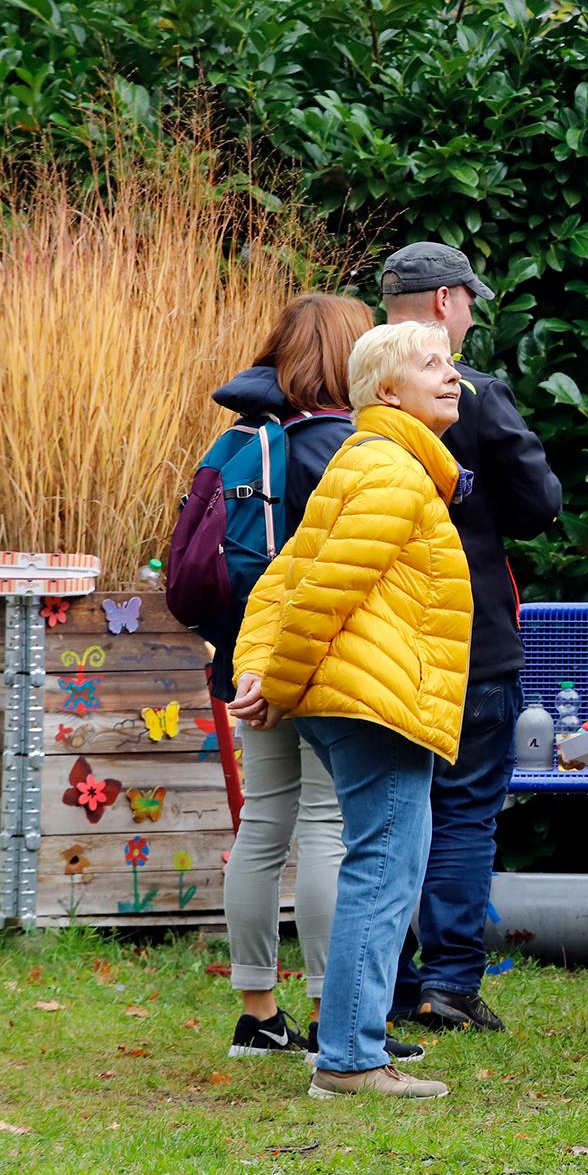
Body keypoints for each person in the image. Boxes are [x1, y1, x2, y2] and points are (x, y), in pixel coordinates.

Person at [230, 321, 473, 1101]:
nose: (451, 376)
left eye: (450, 363)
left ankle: (347, 1049)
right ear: (385, 391)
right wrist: (279, 684)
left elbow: (278, 583)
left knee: (381, 866)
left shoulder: (363, 462)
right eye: (430, 365)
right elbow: (321, 591)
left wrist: (260, 673)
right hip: (374, 704)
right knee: (383, 872)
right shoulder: (392, 474)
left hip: (356, 699)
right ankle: (350, 1062)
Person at [213, 294, 414, 1063]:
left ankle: (257, 1015)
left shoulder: (244, 434)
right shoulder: (338, 443)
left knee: (261, 825)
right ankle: (337, 1011)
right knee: (332, 825)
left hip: (248, 651)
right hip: (320, 655)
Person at [379, 243, 563, 1035]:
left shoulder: (349, 392)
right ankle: (449, 982)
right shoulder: (474, 395)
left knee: (383, 814)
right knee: (461, 813)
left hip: (375, 642)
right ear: (448, 301)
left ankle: (381, 980)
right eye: (470, 302)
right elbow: (540, 504)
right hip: (471, 636)